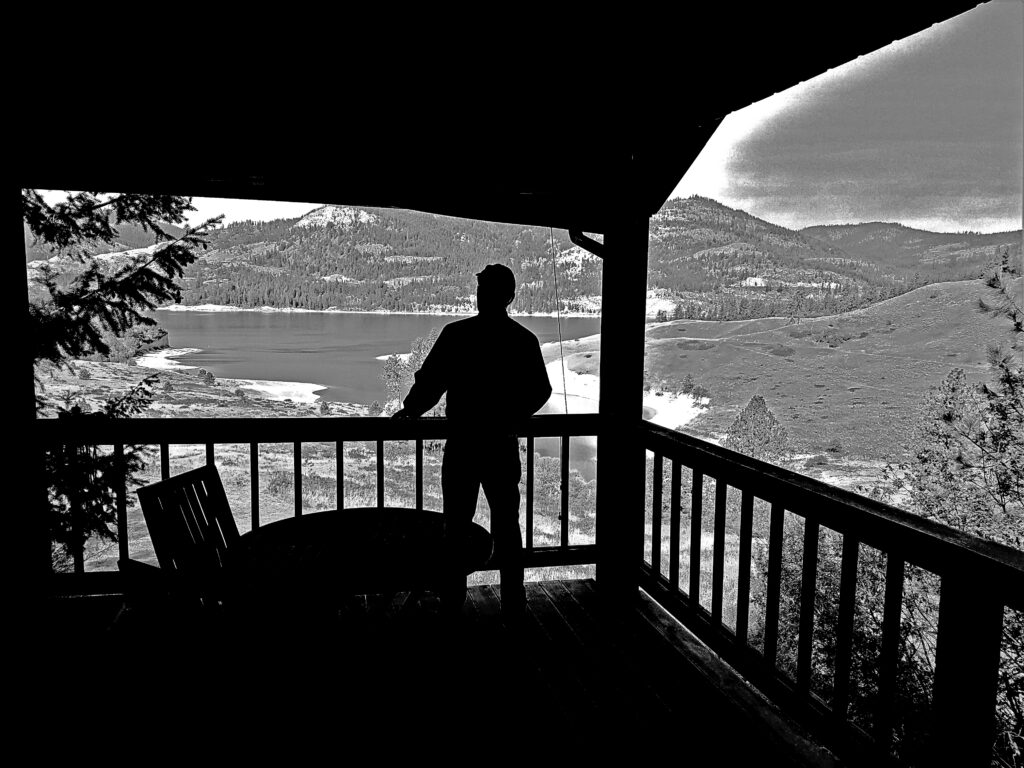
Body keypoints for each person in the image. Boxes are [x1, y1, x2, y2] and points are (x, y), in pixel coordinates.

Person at [393, 264, 552, 620]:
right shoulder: (523, 340)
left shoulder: (457, 334)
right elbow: (541, 391)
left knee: (456, 527)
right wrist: (511, 418)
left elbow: (430, 383)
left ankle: (452, 602)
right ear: (510, 297)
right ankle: (513, 600)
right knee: (507, 526)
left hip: (463, 446)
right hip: (501, 446)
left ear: (493, 295)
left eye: (483, 290)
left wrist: (410, 412)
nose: (480, 295)